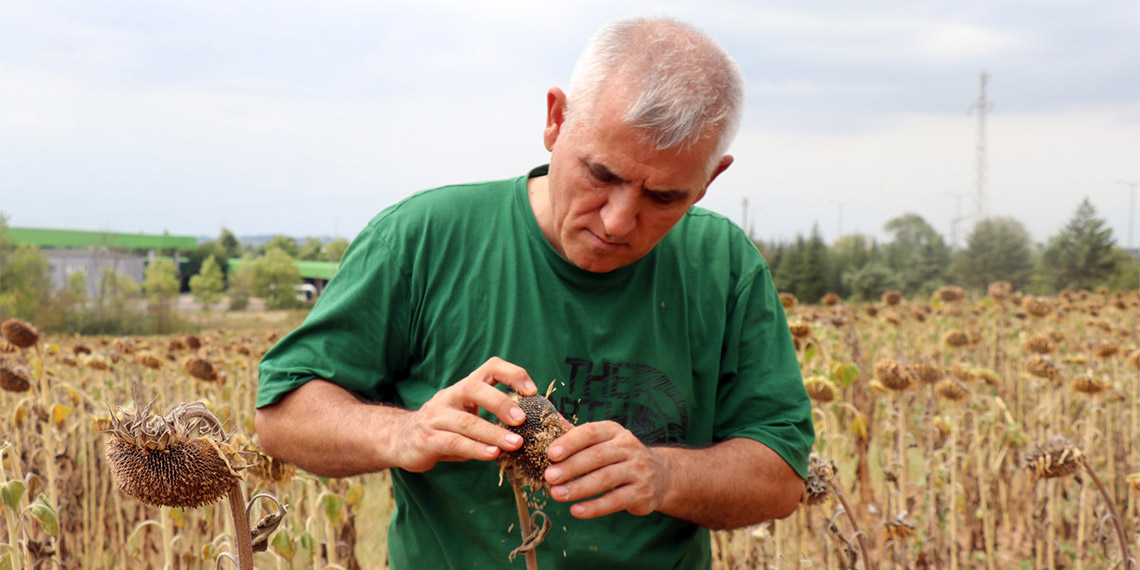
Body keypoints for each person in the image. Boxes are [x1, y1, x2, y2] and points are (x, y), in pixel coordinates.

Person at [255, 16, 814, 569]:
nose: (619, 220)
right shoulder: (423, 237)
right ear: (556, 120)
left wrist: (663, 474)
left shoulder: (723, 266)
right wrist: (406, 431)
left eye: (665, 197)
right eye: (601, 173)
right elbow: (283, 414)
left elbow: (780, 477)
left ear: (710, 180)